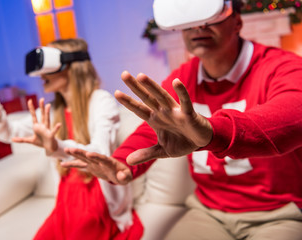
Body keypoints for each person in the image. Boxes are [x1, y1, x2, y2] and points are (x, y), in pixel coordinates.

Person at [61, 1, 302, 239]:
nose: (198, 28)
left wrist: (211, 132)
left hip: (279, 212)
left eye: (210, 19)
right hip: (207, 212)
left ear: (237, 22)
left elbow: (291, 118)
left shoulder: (282, 66)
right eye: (189, 23)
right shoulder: (182, 78)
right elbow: (154, 128)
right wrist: (122, 162)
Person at [0, 38, 143, 239]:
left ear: (70, 67)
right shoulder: (53, 111)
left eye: (47, 66)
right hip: (65, 202)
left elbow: (99, 154)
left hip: (96, 200)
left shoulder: (101, 101)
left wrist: (56, 146)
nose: (41, 75)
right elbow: (7, 131)